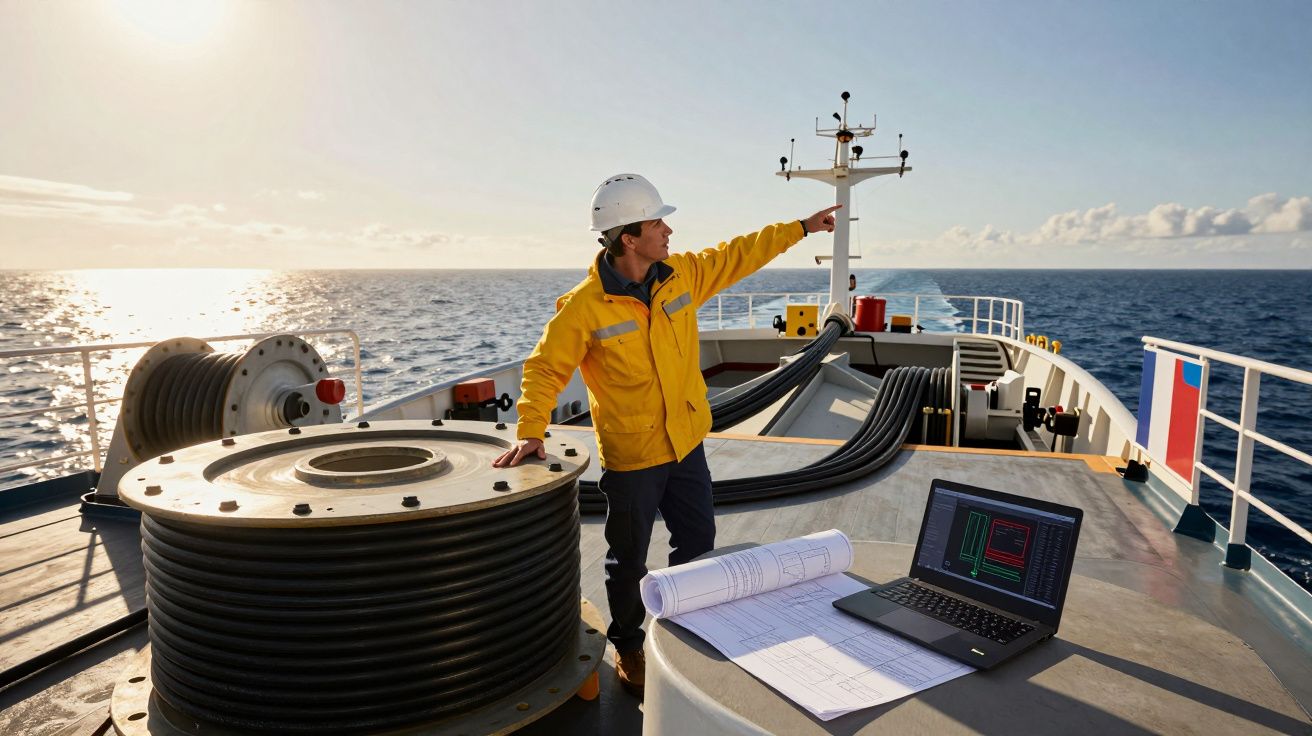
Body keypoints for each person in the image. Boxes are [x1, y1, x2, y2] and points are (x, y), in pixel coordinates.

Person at [493, 173, 838, 697]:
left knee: (698, 543)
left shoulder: (680, 275)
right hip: (633, 455)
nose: (667, 229)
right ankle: (630, 645)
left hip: (686, 443)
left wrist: (801, 228)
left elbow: (738, 253)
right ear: (628, 237)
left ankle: (683, 630)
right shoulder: (583, 307)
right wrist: (531, 430)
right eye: (657, 222)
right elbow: (545, 369)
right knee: (628, 557)